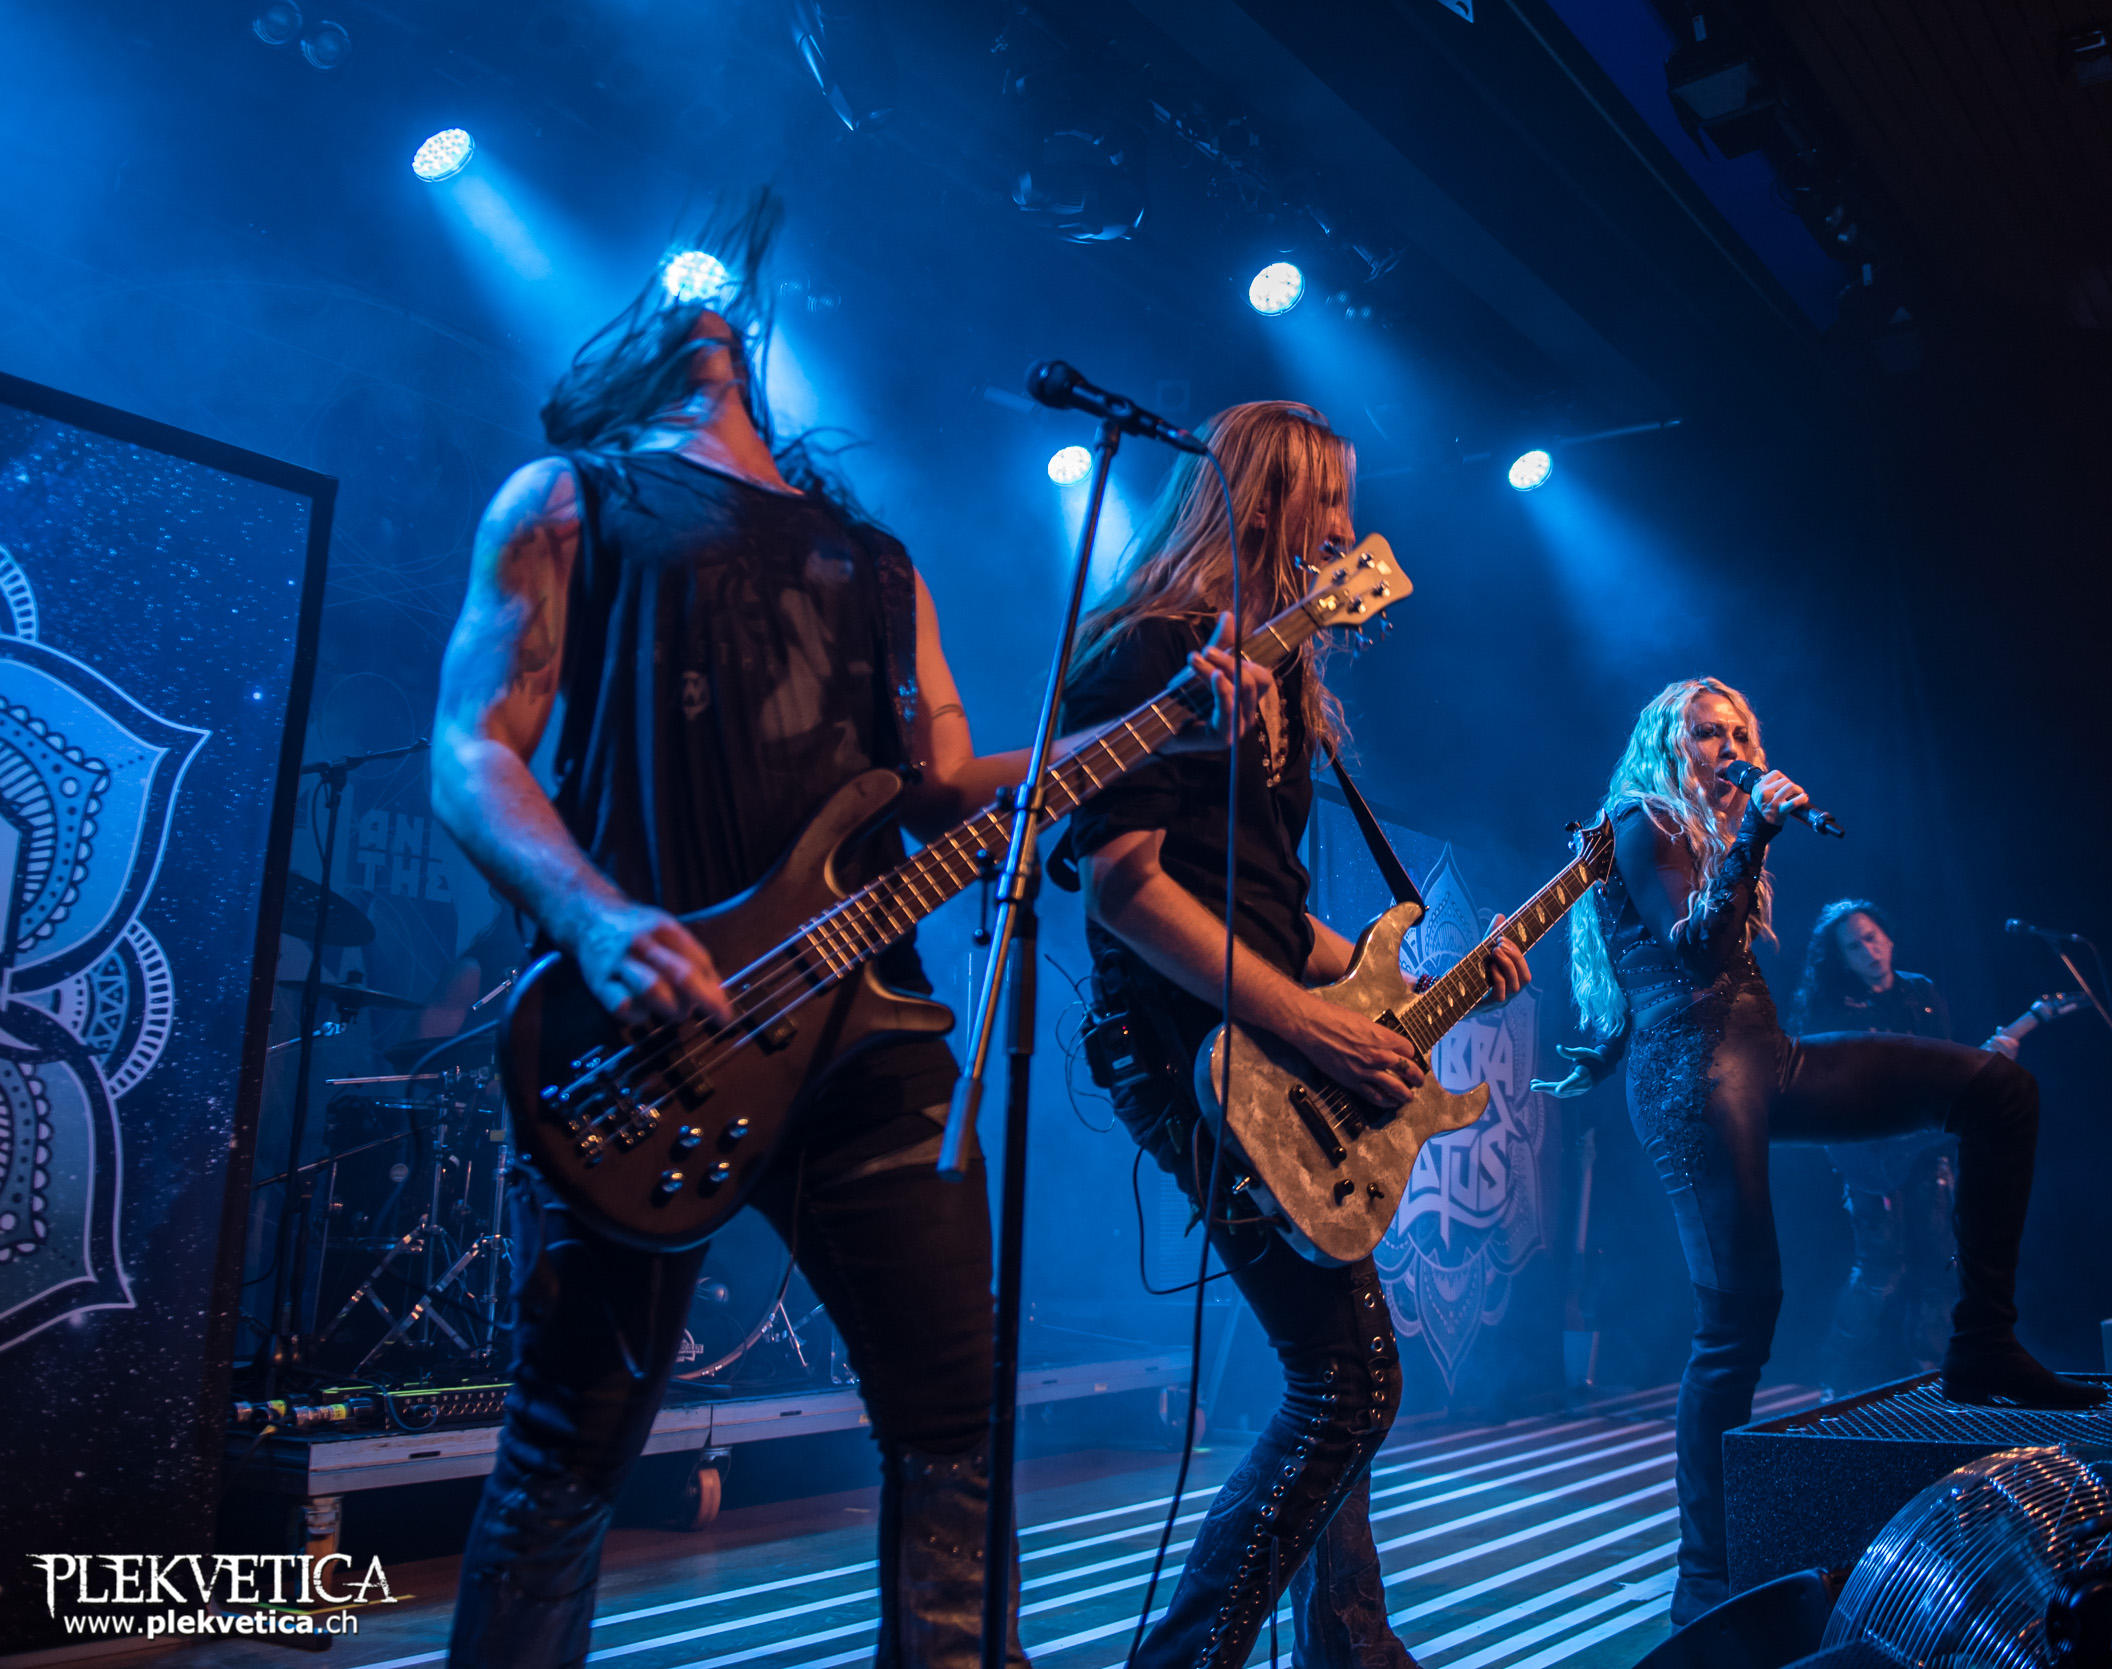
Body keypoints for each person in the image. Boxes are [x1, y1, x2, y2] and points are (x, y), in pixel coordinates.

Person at [428, 194, 1268, 1669]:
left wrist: (1167, 721)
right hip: (649, 1035)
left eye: (722, 310)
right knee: (567, 1449)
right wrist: (596, 917)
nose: (701, 313)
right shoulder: (571, 501)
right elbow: (470, 748)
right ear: (615, 360)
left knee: (954, 1425)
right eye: (670, 302)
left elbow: (946, 788)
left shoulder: (878, 564)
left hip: (871, 1040)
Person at [1056, 401, 1529, 1669]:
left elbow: (1268, 915)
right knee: (1349, 1379)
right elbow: (1123, 892)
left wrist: (1423, 981)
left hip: (1255, 1034)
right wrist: (1316, 1028)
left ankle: (1350, 1645)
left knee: (1344, 1373)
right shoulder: (1153, 649)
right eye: (1330, 500)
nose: (1347, 530)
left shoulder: (1281, 678)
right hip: (1185, 1045)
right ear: (1266, 501)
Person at [1542, 676, 2100, 1627]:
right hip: (1691, 1077)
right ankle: (1704, 1578)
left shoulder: (1711, 833)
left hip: (1769, 1058)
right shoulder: (1641, 819)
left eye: (1738, 733)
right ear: (1669, 744)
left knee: (1998, 1090)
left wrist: (1744, 836)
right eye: (1706, 733)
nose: (1727, 748)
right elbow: (1696, 953)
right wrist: (1756, 831)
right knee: (1740, 1320)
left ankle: (1983, 1341)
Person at [1792, 899, 2021, 1395]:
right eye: (1854, 946)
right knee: (1880, 1270)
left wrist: (1989, 1062)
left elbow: (1946, 1069)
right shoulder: (1834, 1006)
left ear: (1889, 937)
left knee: (1938, 1265)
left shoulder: (1922, 994)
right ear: (1841, 959)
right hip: (1868, 1152)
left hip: (1928, 1147)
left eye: (1872, 938)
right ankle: (1836, 1378)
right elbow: (1821, 1088)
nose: (1869, 951)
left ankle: (1930, 1376)